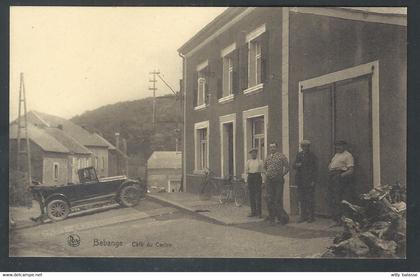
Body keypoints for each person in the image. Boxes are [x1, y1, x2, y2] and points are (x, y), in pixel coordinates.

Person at [328, 140, 355, 224]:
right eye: (337, 146)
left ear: (345, 146)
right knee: (334, 199)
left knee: (341, 199)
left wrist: (339, 176)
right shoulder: (336, 155)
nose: (338, 147)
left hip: (341, 177)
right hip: (333, 176)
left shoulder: (348, 155)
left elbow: (351, 170)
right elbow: (332, 165)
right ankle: (337, 220)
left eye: (340, 146)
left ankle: (344, 220)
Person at [264, 142, 290, 225]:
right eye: (271, 147)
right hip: (269, 180)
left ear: (277, 148)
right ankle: (272, 218)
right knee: (270, 199)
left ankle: (283, 218)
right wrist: (266, 173)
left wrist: (282, 174)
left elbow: (287, 166)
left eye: (274, 147)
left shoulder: (281, 156)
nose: (272, 149)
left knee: (277, 199)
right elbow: (264, 167)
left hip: (278, 180)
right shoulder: (267, 157)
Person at [293, 140, 317, 223]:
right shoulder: (299, 154)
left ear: (308, 147)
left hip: (309, 180)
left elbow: (315, 169)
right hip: (300, 180)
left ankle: (311, 216)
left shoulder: (312, 155)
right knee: (301, 199)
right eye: (302, 146)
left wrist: (313, 180)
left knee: (310, 199)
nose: (304, 148)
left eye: (305, 146)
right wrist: (297, 165)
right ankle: (303, 216)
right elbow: (293, 165)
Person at [245, 148, 264, 218]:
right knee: (251, 196)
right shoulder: (248, 162)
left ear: (256, 154)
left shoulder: (260, 161)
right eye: (252, 153)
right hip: (250, 178)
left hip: (257, 177)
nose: (253, 154)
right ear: (250, 154)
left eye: (255, 153)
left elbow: (262, 172)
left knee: (258, 196)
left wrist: (263, 182)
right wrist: (246, 182)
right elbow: (246, 172)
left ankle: (259, 213)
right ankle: (253, 212)